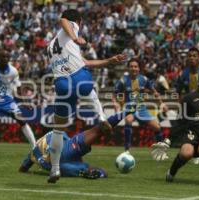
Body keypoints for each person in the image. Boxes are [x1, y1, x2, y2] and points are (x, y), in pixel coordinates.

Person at [47, 9, 126, 183]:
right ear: (79, 21)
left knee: (58, 130)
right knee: (86, 85)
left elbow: (86, 61)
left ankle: (54, 170)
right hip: (77, 77)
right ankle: (102, 117)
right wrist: (76, 37)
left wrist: (109, 61)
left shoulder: (52, 45)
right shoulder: (71, 28)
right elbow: (63, 20)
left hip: (61, 84)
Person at [19, 109, 135, 179]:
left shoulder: (33, 151)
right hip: (66, 150)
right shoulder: (57, 133)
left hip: (60, 167)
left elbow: (23, 168)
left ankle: (89, 172)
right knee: (98, 130)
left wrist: (31, 170)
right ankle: (127, 111)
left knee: (101, 172)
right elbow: (66, 141)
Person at [0, 51, 36, 153]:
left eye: (7, 56)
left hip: (8, 101)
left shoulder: (13, 71)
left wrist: (25, 102)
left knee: (21, 120)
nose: (5, 58)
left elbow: (19, 88)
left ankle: (34, 147)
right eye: (3, 56)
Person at [112, 58, 168, 153]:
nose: (133, 68)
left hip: (141, 109)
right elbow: (114, 95)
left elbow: (155, 92)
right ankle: (127, 149)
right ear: (128, 68)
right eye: (131, 66)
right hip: (129, 108)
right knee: (128, 120)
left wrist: (162, 103)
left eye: (135, 66)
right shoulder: (123, 80)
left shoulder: (144, 79)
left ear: (139, 68)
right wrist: (115, 103)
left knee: (157, 127)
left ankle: (160, 150)